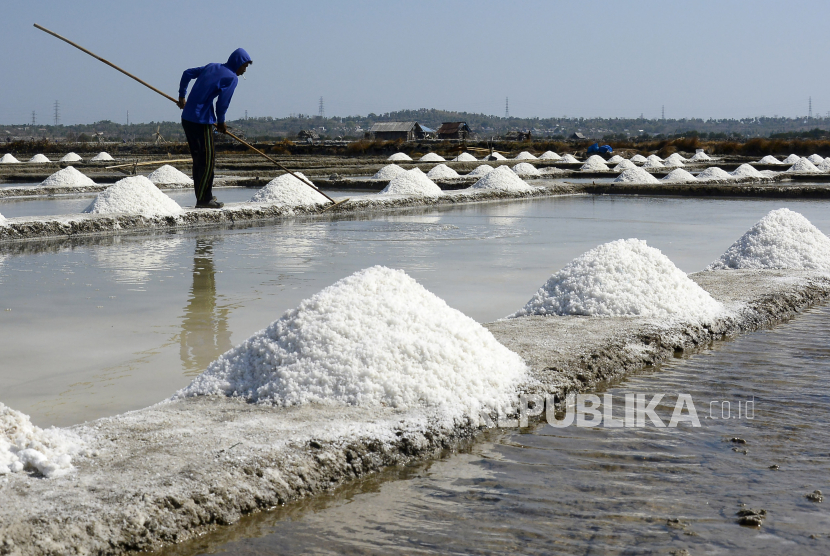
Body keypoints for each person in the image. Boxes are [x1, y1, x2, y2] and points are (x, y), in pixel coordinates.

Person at [177, 48, 252, 208]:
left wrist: (182, 96)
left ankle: (205, 196)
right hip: (201, 121)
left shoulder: (212, 66)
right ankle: (204, 200)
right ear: (238, 63)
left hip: (187, 118)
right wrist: (222, 122)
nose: (244, 70)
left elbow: (187, 73)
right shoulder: (232, 78)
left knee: (199, 161)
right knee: (207, 161)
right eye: (244, 66)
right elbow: (222, 103)